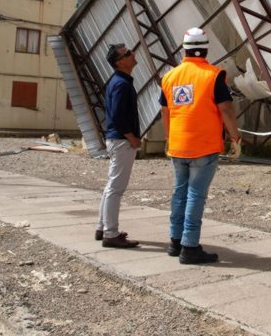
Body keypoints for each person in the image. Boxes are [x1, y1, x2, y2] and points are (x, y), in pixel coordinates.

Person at [160, 27, 241, 264]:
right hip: (204, 145)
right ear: (205, 49)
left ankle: (175, 242)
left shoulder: (170, 76)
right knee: (196, 194)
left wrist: (168, 137)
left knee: (180, 192)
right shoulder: (214, 75)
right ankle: (190, 246)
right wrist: (235, 137)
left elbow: (165, 111)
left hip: (178, 144)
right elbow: (226, 108)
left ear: (184, 49)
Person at [96, 43, 141, 249]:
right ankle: (111, 234)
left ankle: (102, 227)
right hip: (122, 141)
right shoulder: (121, 84)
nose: (133, 55)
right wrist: (131, 137)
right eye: (128, 53)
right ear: (119, 62)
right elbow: (118, 115)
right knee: (116, 188)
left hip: (116, 139)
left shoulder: (118, 81)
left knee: (110, 186)